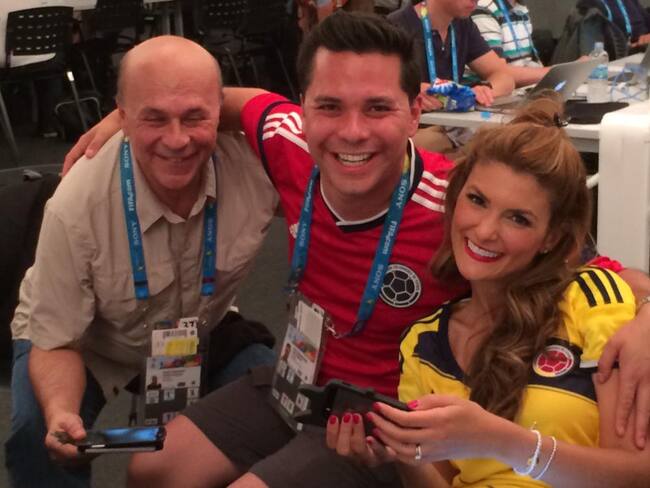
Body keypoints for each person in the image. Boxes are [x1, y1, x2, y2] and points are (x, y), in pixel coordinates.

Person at [62, 12, 650, 488]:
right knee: (152, 470)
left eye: (377, 107)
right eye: (329, 106)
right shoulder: (286, 138)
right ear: (303, 106)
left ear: (415, 111)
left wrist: (647, 318)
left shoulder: (462, 205)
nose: (351, 132)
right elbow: (225, 100)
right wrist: (128, 115)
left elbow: (606, 275)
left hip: (384, 418)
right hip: (294, 379)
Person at [327, 96, 650, 487]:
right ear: (456, 197)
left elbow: (636, 476)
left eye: (518, 218)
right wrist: (400, 454)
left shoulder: (591, 300)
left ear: (550, 237)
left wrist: (501, 441)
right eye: (477, 200)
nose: (484, 231)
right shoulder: (423, 342)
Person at [5, 36, 279, 488]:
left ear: (222, 111)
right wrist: (60, 412)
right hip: (87, 338)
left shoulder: (257, 165)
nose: (177, 140)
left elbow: (323, 133)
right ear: (124, 118)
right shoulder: (75, 206)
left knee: (278, 409)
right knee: (40, 435)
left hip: (198, 327)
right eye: (154, 118)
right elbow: (57, 341)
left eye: (195, 116)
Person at [387, 0, 515, 152]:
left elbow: (505, 76)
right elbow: (375, 88)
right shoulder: (395, 28)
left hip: (450, 128)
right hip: (409, 132)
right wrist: (407, 90)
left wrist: (485, 91)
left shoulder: (463, 25)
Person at [470, 0, 551, 86]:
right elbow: (499, 74)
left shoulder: (520, 8)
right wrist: (550, 73)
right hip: (495, 90)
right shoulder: (483, 8)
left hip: (521, 86)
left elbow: (527, 62)